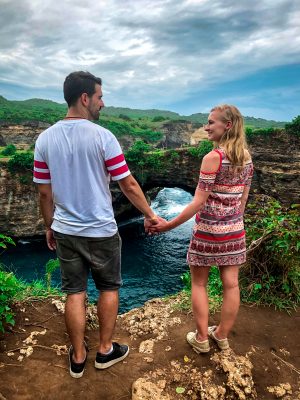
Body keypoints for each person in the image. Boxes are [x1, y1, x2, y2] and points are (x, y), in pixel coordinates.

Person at [33, 71, 159, 378]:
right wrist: (150, 215)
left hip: (65, 229)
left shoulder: (44, 139)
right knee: (108, 288)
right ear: (85, 98)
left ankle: (78, 358)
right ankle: (104, 351)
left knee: (74, 292)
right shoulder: (103, 137)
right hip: (101, 230)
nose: (103, 103)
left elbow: (44, 191)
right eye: (100, 97)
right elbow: (127, 183)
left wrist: (49, 225)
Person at [148, 104, 254, 353]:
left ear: (227, 125)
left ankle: (202, 338)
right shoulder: (246, 158)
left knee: (199, 284)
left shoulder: (213, 158)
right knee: (231, 284)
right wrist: (231, 222)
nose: (206, 127)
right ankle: (222, 336)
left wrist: (168, 226)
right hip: (235, 230)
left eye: (211, 122)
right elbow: (243, 200)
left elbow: (198, 202)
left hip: (208, 231)